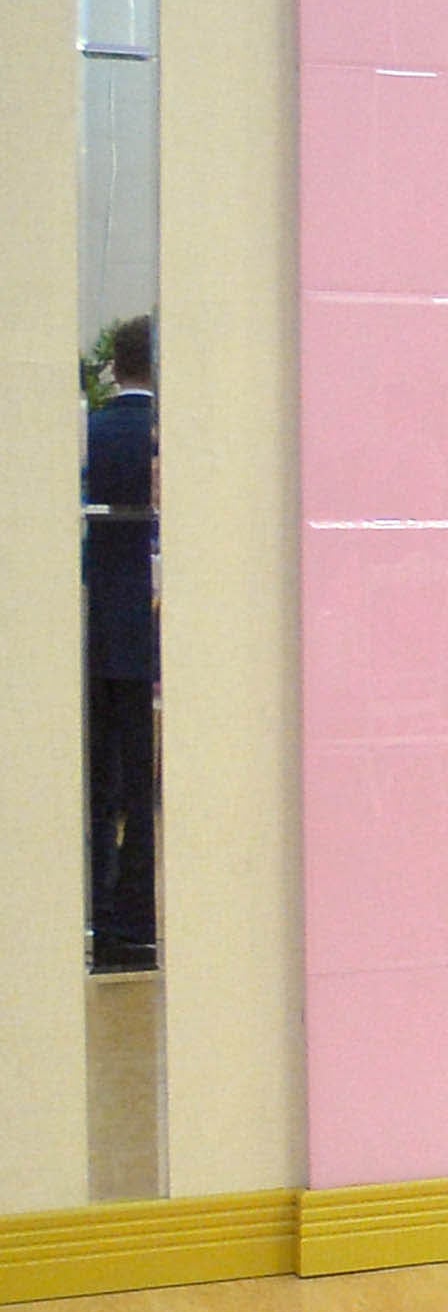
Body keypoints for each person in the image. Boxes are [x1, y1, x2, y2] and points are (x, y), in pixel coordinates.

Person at [81, 313, 155, 973]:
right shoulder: (163, 439)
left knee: (99, 783)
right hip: (147, 629)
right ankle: (135, 920)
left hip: (93, 626)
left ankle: (96, 920)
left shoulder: (91, 433)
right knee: (144, 783)